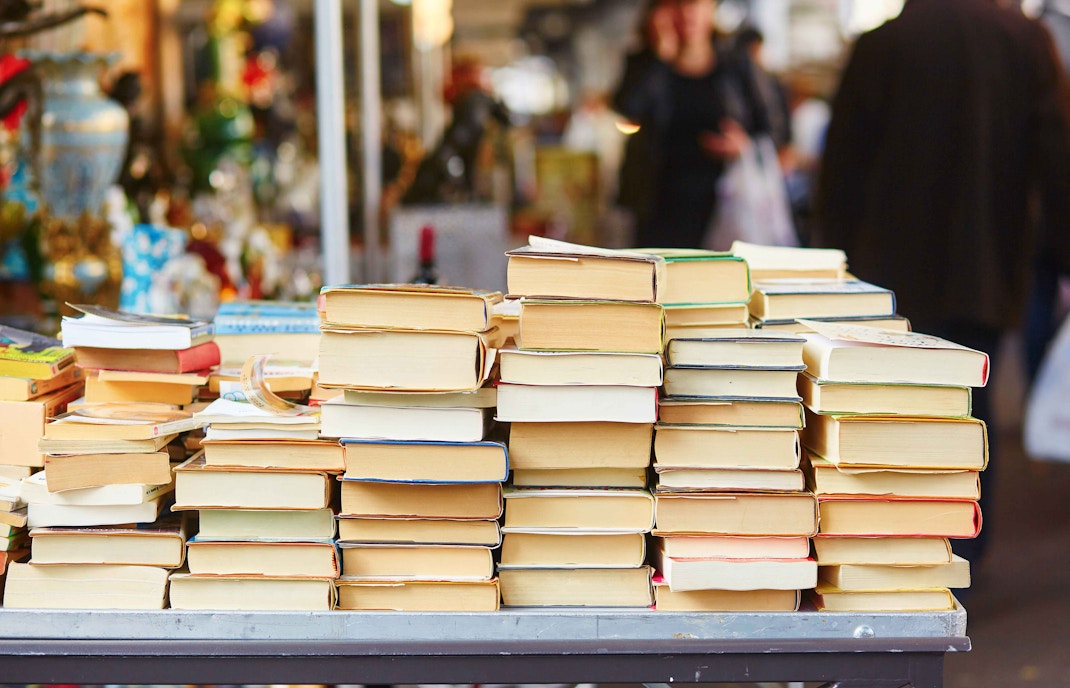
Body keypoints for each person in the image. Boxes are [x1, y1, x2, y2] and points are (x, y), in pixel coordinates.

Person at [814, 0, 1070, 564]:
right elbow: (1058, 163)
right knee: (969, 407)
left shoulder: (883, 45)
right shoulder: (1027, 43)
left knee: (892, 412)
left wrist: (832, 264)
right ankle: (960, 556)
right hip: (989, 265)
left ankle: (891, 551)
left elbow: (840, 169)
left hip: (889, 272)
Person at [612, 0, 770, 248]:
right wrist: (660, 58)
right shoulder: (644, 63)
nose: (687, 14)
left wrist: (742, 144)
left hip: (724, 199)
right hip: (657, 200)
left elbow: (771, 125)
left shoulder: (735, 63)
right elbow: (628, 111)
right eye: (677, 5)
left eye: (695, 4)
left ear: (711, 9)